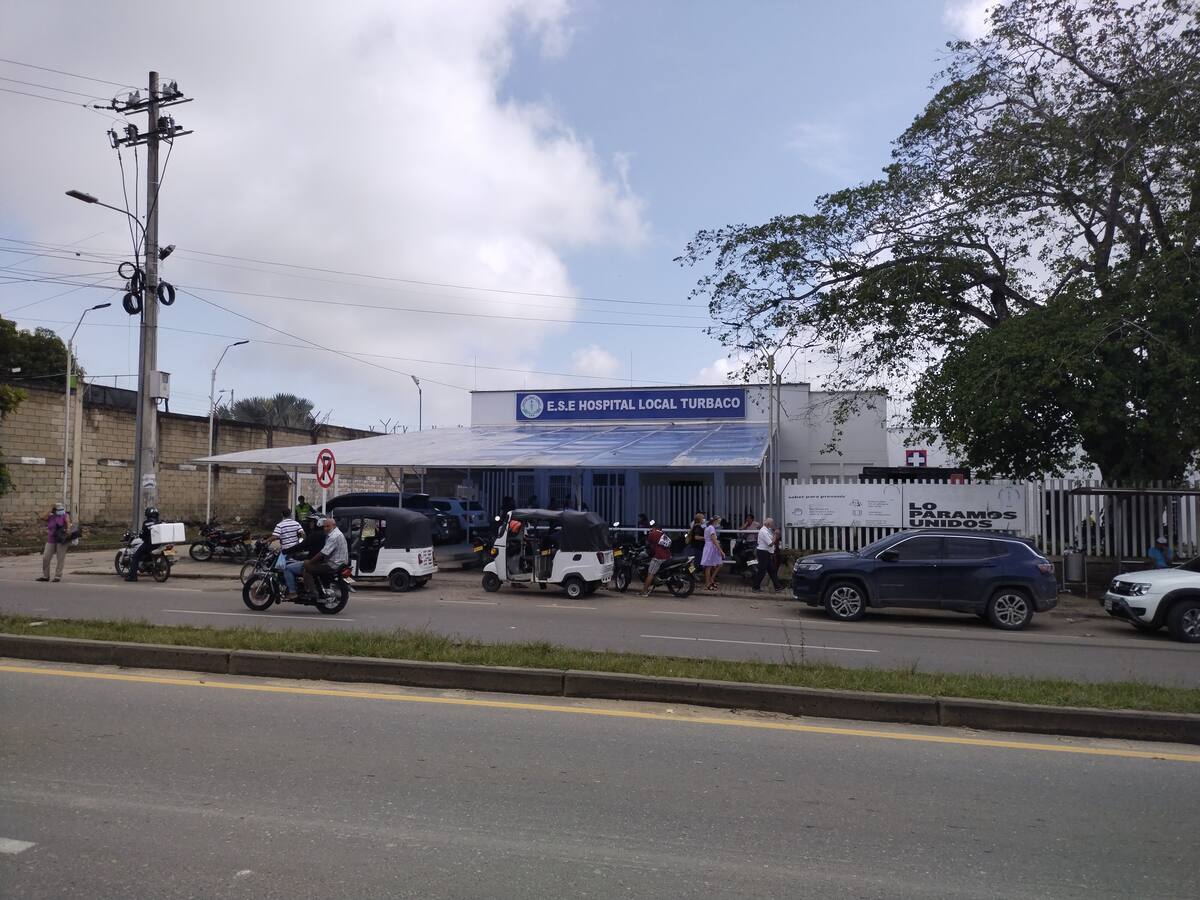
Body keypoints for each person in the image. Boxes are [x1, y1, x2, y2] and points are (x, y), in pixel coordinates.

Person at [301, 517, 349, 598]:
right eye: (324, 526)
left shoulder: (334, 536)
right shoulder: (336, 533)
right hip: (340, 562)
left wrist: (310, 562)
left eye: (328, 526)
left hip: (333, 564)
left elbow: (323, 553)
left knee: (306, 566)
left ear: (334, 525)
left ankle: (312, 592)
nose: (325, 528)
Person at [283, 514, 324, 598]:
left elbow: (302, 546)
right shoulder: (323, 534)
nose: (310, 524)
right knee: (298, 561)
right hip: (319, 560)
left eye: (312, 522)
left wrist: (285, 551)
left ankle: (292, 592)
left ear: (318, 523)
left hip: (313, 562)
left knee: (287, 568)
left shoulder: (315, 535)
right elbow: (312, 548)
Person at [38, 503, 72, 582]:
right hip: (51, 539)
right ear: (54, 511)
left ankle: (58, 576)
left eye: (61, 509)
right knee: (46, 557)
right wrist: (50, 508)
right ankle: (45, 576)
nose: (60, 511)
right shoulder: (51, 516)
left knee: (60, 558)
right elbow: (42, 517)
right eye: (58, 509)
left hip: (61, 539)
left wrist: (68, 530)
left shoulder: (65, 515)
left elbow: (68, 523)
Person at [124, 507, 160, 582]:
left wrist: (141, 535)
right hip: (159, 544)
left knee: (135, 557)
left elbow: (142, 534)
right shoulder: (159, 522)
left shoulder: (146, 523)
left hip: (149, 544)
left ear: (148, 514)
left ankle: (133, 577)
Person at [640, 520, 672, 597]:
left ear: (654, 527)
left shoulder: (653, 534)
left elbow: (647, 543)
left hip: (659, 557)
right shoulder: (662, 534)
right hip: (667, 555)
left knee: (650, 573)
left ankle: (644, 591)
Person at [751, 517, 783, 593]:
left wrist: (775, 535)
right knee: (762, 571)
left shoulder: (767, 530)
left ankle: (777, 587)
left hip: (767, 553)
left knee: (772, 570)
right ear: (768, 523)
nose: (773, 525)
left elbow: (773, 540)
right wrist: (775, 534)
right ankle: (755, 587)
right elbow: (771, 543)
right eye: (772, 523)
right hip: (763, 552)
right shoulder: (763, 531)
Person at [701, 514, 724, 592]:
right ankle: (707, 583)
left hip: (710, 547)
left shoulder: (709, 528)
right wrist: (721, 550)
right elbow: (714, 540)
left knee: (718, 564)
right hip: (711, 548)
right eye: (718, 521)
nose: (719, 523)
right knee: (709, 566)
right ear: (715, 521)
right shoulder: (711, 528)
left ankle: (711, 580)